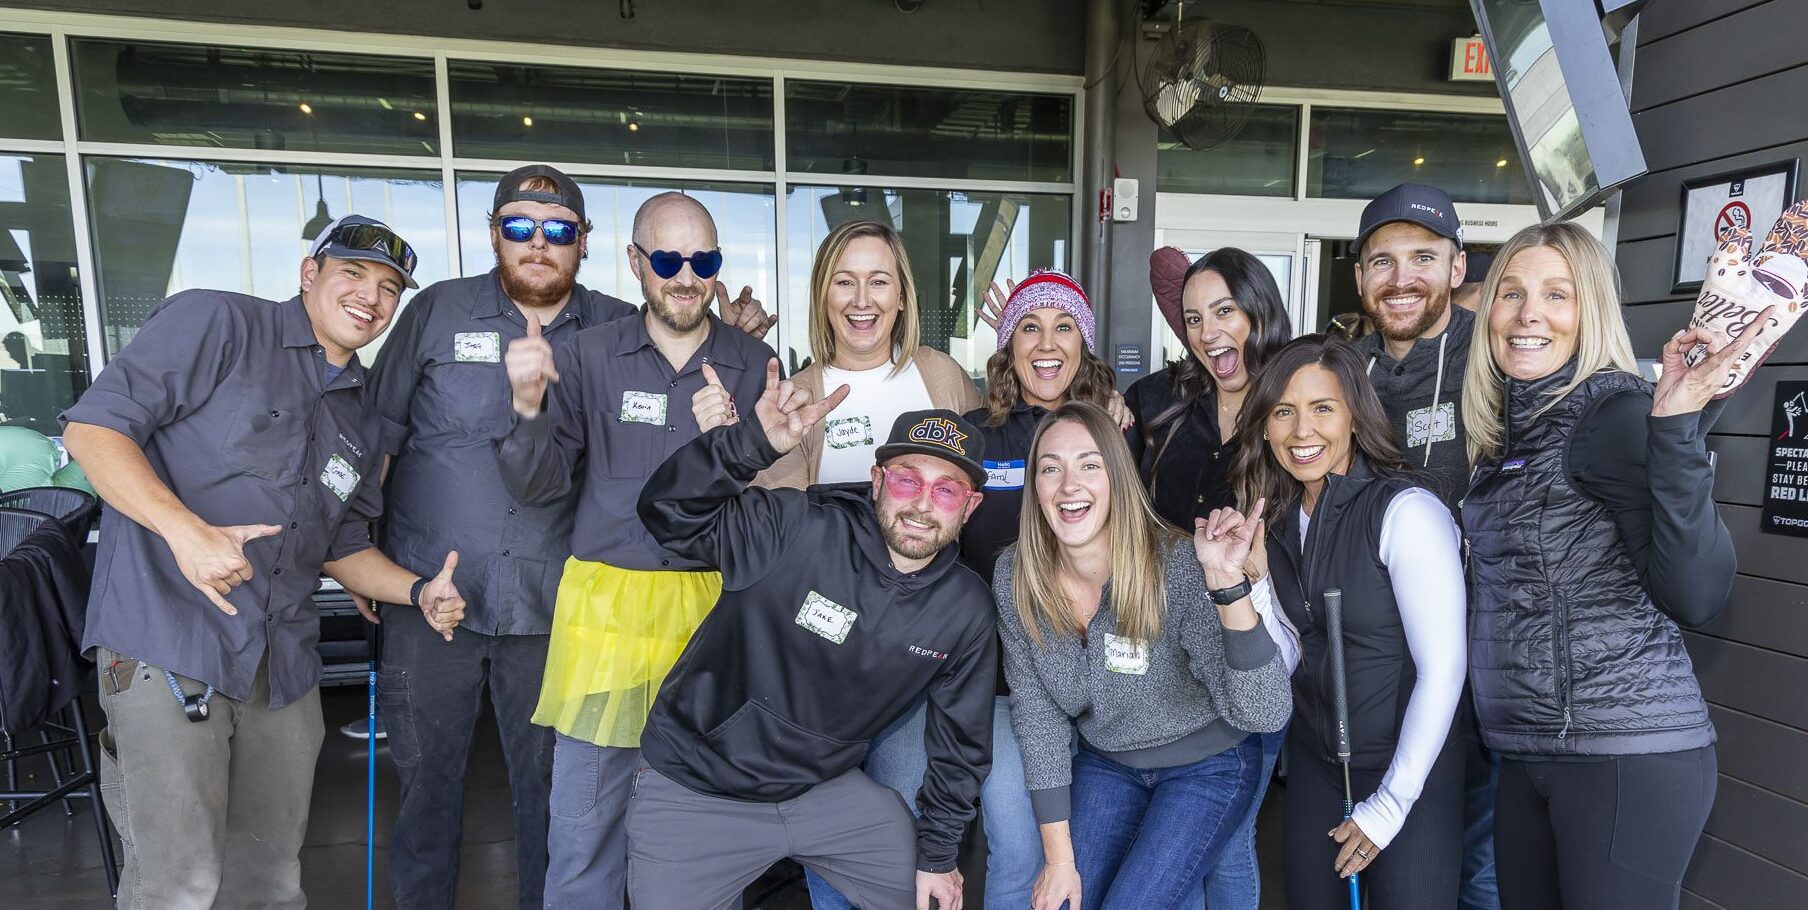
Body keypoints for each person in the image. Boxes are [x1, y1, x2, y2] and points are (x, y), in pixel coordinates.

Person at [362, 166, 772, 909]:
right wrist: (367, 564)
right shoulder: (437, 311)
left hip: (555, 607)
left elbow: (681, 326)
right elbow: (380, 432)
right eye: (521, 227)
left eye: (559, 230)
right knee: (426, 787)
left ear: (586, 244)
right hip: (432, 595)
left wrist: (735, 343)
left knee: (552, 800)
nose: (539, 243)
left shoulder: (614, 326)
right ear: (495, 234)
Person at [61, 215, 468, 909]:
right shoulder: (216, 323)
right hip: (170, 643)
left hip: (282, 668)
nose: (371, 297)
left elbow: (343, 546)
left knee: (271, 883)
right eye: (353, 274)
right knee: (178, 885)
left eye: (389, 288)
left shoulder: (361, 415)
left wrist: (419, 590)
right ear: (310, 274)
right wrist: (185, 531)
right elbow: (93, 429)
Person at [494, 191, 777, 909]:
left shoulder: (755, 362)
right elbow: (539, 487)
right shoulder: (585, 355)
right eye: (668, 258)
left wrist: (738, 444)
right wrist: (527, 410)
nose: (686, 276)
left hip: (715, 618)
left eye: (703, 260)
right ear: (634, 262)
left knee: (709, 838)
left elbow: (779, 510)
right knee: (585, 834)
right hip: (609, 617)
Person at [1461, 223, 1747, 910]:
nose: (1529, 314)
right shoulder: (1509, 433)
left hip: (1626, 755)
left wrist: (1675, 428)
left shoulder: (1613, 416)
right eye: (1511, 293)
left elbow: (1698, 592)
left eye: (1557, 295)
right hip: (1533, 752)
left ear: (1590, 313)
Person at [629, 399, 997, 910]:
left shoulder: (965, 608)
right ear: (877, 481)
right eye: (907, 480)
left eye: (947, 489)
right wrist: (750, 443)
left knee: (928, 900)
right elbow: (666, 512)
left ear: (970, 506)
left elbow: (961, 746)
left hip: (820, 791)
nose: (922, 505)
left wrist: (938, 856)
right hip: (699, 786)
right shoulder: (794, 526)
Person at [997, 401, 1292, 910]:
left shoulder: (1174, 564)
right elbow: (1037, 715)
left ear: (1117, 477)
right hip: (1109, 763)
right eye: (1051, 468)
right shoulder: (1016, 577)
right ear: (1035, 487)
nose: (1069, 485)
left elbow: (1265, 712)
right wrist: (1059, 861)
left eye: (1090, 465)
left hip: (1209, 764)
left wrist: (1226, 586)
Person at [1228, 335, 1468, 908]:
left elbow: (1444, 670)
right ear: (1264, 427)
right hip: (1318, 762)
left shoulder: (1406, 511)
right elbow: (1291, 656)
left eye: (1322, 408)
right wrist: (1256, 584)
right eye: (1283, 412)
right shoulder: (1279, 517)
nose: (1301, 431)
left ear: (1356, 418)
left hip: (1409, 768)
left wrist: (1389, 805)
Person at [1349, 182, 1498, 909]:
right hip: (1374, 668)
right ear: (1359, 279)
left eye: (1422, 258)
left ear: (1457, 266)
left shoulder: (1495, 358)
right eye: (1382, 262)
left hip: (1481, 663)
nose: (1401, 278)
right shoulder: (1346, 370)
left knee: (1471, 869)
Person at [1134, 246, 1295, 910]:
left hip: (1253, 651)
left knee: (1225, 842)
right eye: (1195, 318)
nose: (1208, 333)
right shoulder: (1168, 400)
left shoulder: (1298, 403)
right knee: (1182, 837)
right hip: (1170, 656)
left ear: (1259, 311)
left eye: (1225, 311)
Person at [757, 219, 981, 489]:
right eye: (845, 282)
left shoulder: (943, 374)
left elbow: (989, 476)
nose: (861, 300)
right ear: (822, 295)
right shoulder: (798, 399)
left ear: (901, 296)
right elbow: (782, 520)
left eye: (878, 282)